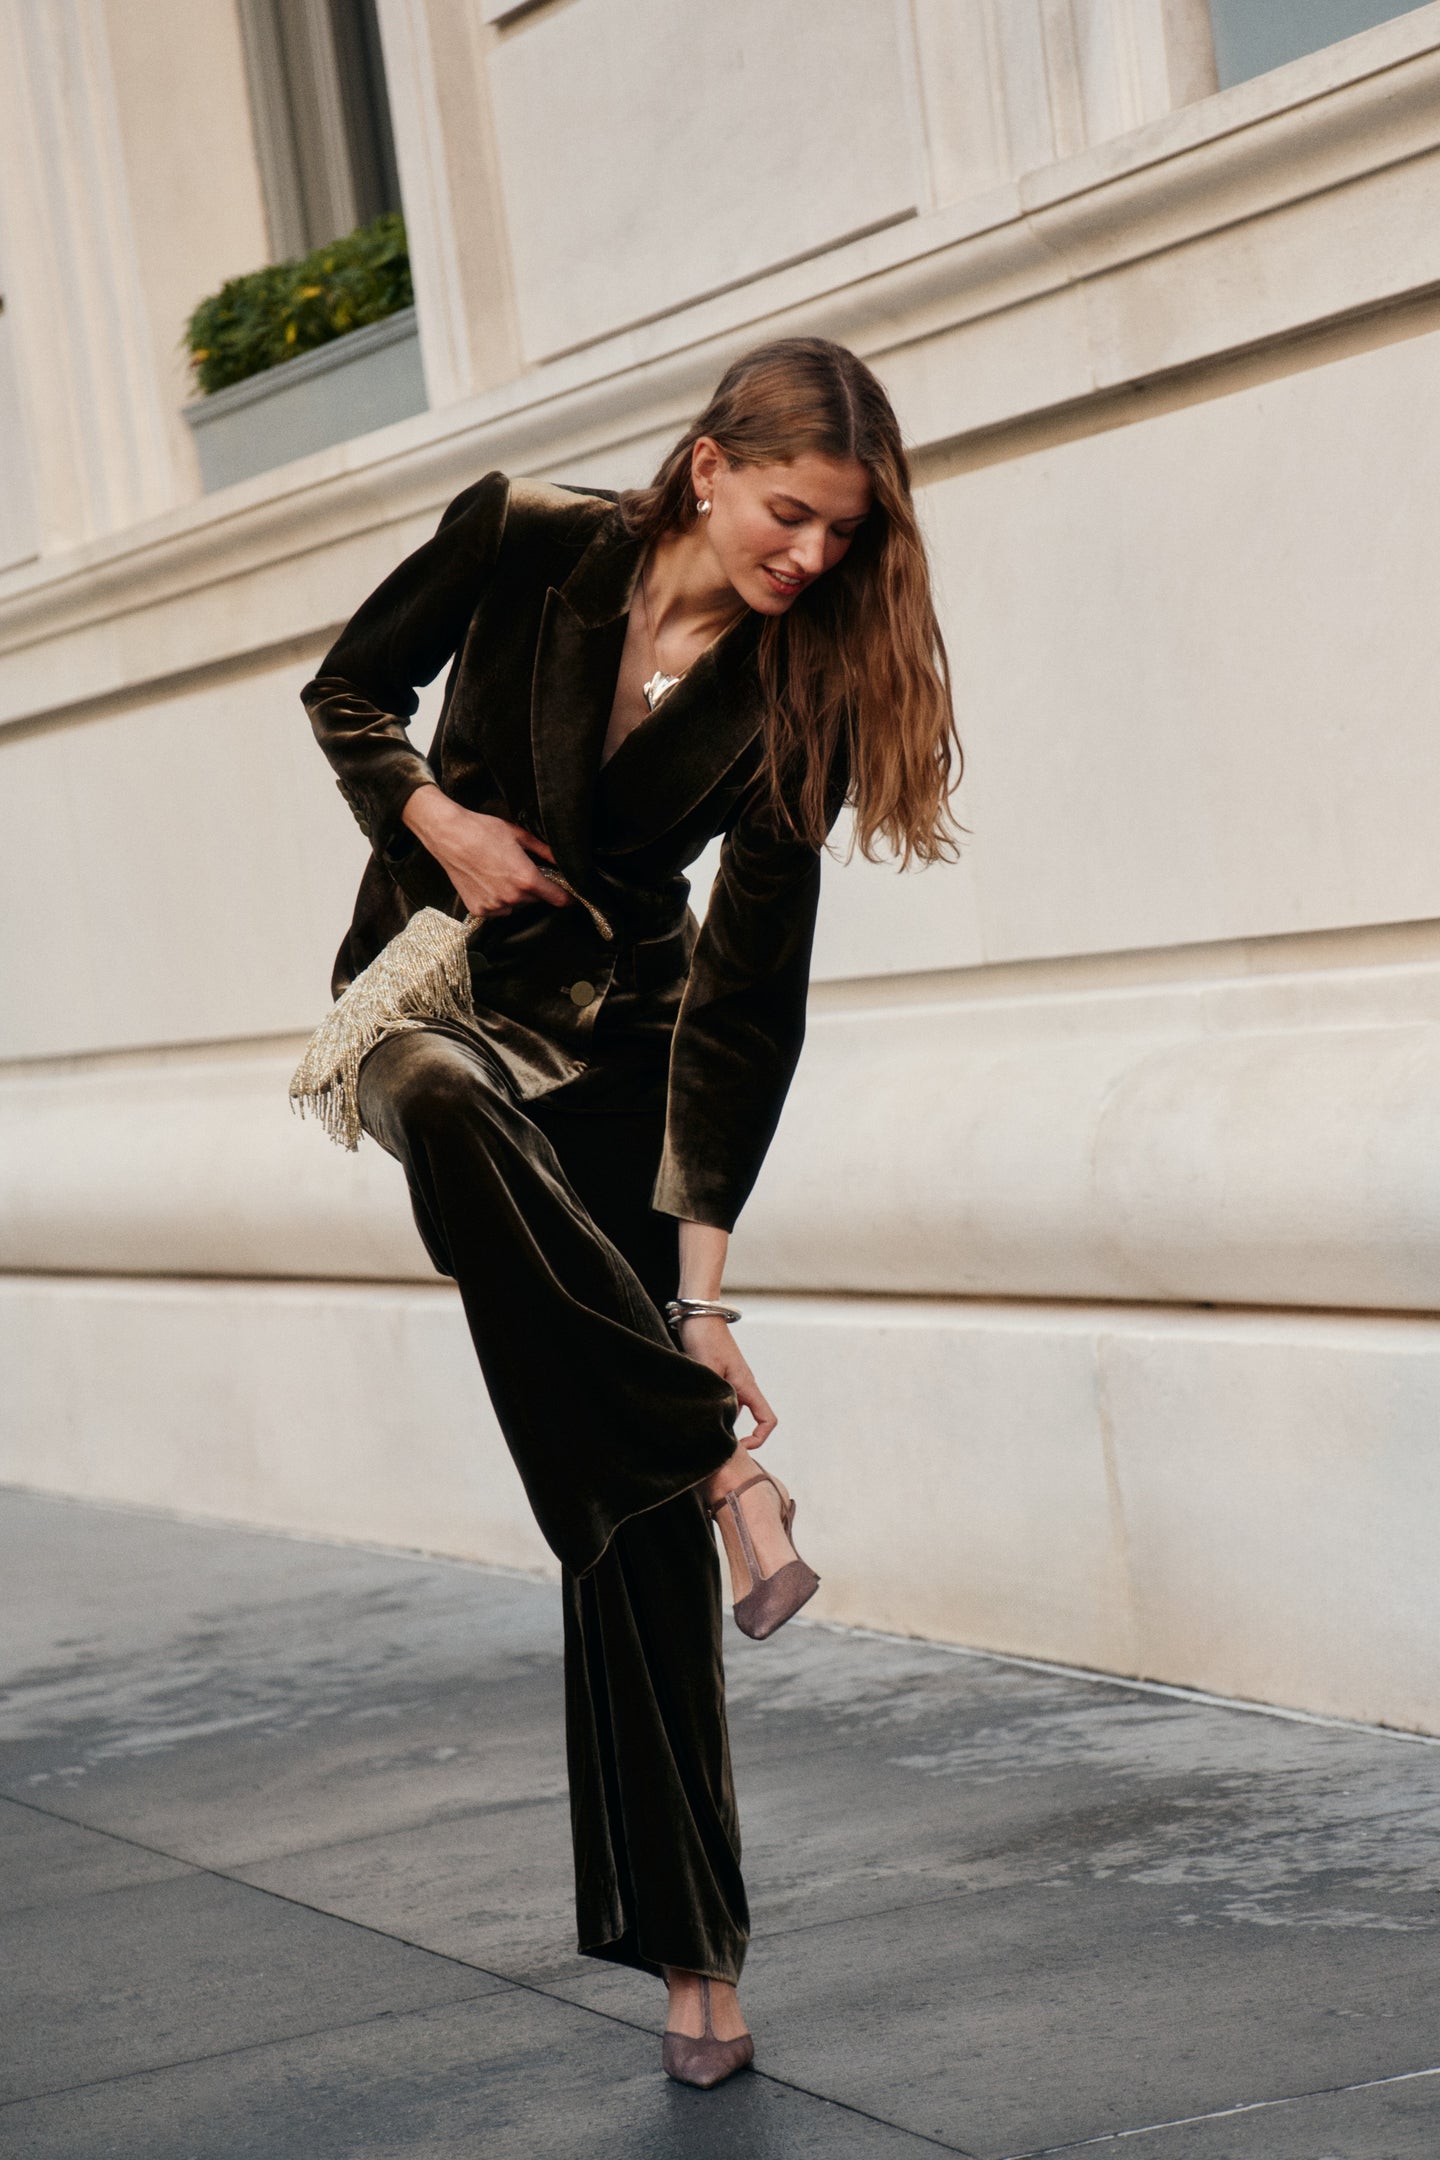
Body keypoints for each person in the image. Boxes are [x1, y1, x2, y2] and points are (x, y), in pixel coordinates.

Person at [301, 336, 960, 2087]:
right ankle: (721, 1458)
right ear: (705, 465)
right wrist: (435, 820)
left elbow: (747, 1009)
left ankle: (697, 1962)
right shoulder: (524, 535)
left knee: (628, 1534)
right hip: (424, 1001)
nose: (812, 559)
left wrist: (705, 1291)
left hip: (621, 1056)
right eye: (792, 513)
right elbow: (347, 691)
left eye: (844, 535)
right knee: (441, 1101)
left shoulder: (796, 698)